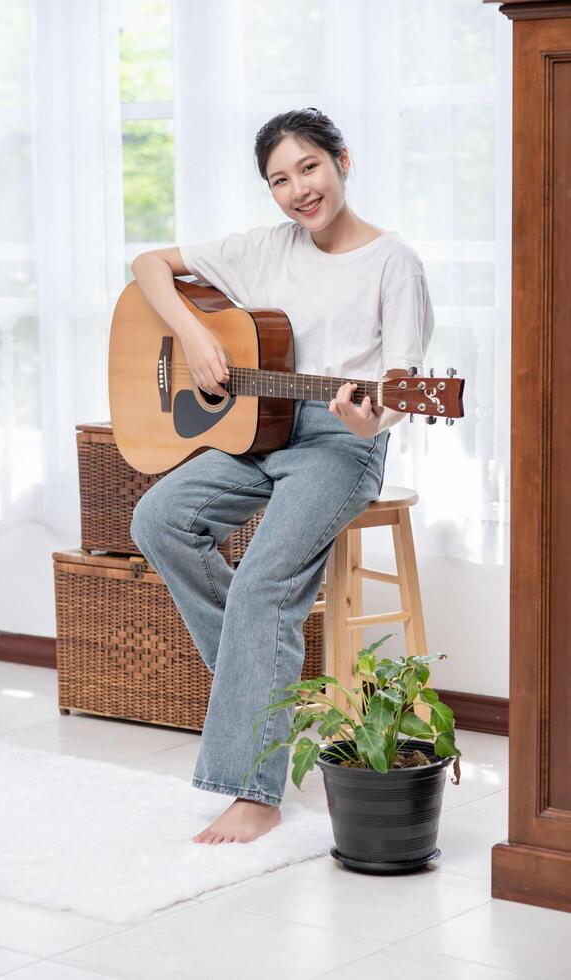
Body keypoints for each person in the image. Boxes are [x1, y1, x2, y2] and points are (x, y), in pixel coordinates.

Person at [129, 107, 435, 846]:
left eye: (309, 167)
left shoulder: (396, 264)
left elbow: (397, 391)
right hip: (259, 427)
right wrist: (198, 332)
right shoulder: (266, 249)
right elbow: (148, 266)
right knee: (157, 519)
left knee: (265, 584)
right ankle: (272, 697)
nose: (299, 188)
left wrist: (367, 419)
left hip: (341, 444)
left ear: (342, 161)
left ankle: (252, 791)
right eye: (279, 179)